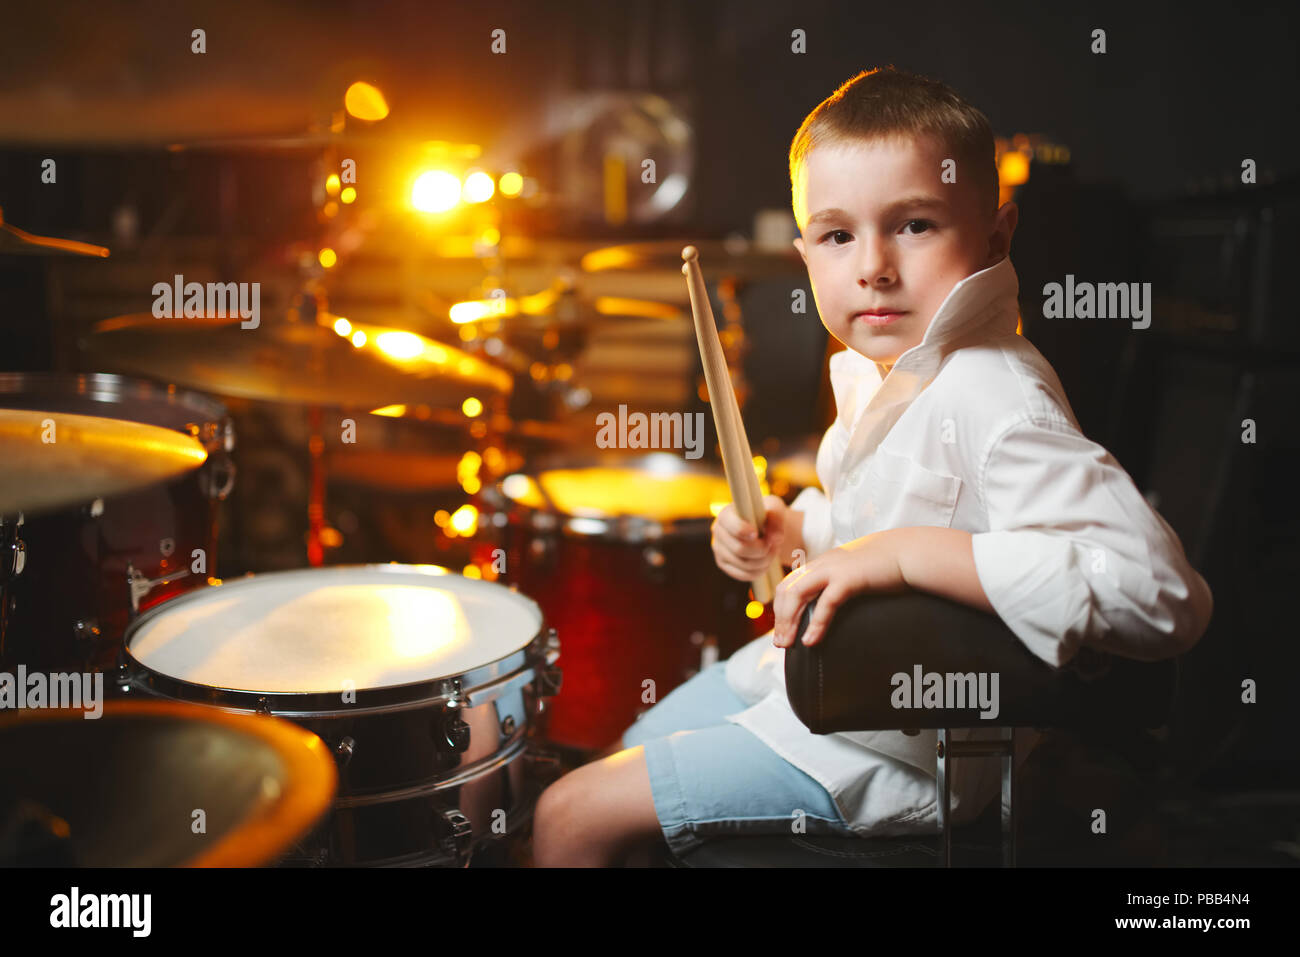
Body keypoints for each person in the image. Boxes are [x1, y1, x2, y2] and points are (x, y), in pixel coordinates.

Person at [530, 66, 1213, 867]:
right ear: (805, 254)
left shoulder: (995, 392)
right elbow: (879, 518)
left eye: (915, 224)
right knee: (628, 741)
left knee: (569, 814)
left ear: (996, 236)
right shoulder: (881, 368)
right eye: (837, 235)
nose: (874, 266)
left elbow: (1165, 596)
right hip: (819, 687)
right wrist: (795, 530)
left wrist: (907, 554)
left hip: (899, 750)